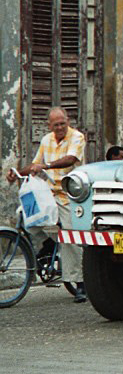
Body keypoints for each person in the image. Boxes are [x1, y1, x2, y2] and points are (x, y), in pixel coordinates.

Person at [5, 107, 87, 302]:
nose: (59, 127)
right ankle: (49, 243)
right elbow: (35, 165)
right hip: (49, 193)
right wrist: (17, 172)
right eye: (55, 124)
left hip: (70, 194)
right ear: (49, 126)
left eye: (62, 123)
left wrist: (47, 166)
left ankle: (81, 283)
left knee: (69, 234)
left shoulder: (77, 137)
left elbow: (70, 160)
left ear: (67, 121)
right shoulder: (46, 140)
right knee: (25, 216)